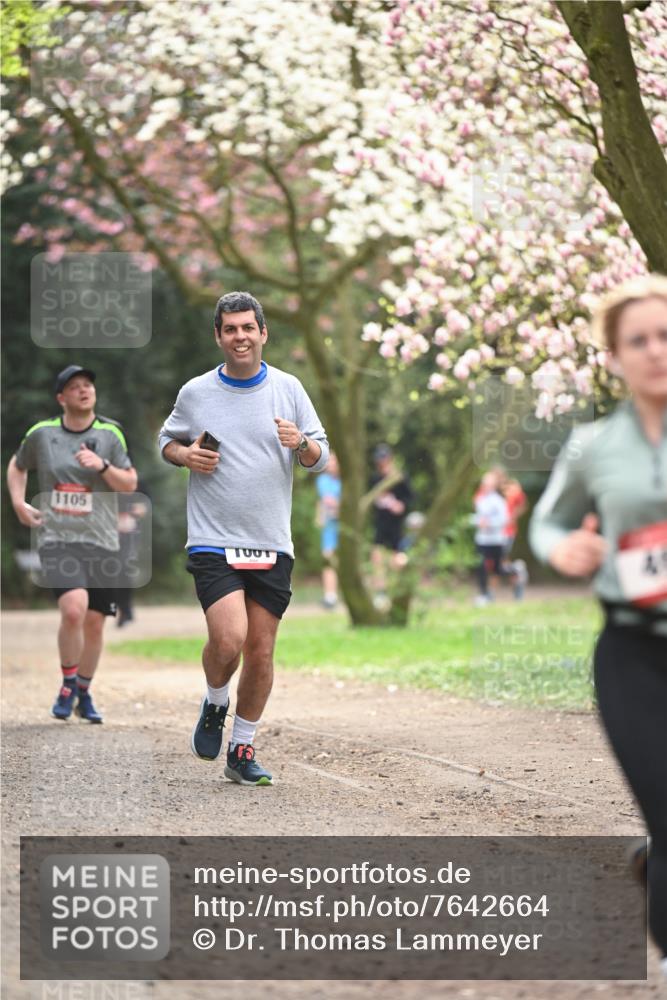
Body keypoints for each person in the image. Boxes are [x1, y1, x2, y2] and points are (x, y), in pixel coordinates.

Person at [529, 274, 667, 976]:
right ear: (613, 357)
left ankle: (652, 864)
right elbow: (547, 518)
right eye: (636, 340)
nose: (654, 351)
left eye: (664, 335)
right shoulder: (592, 445)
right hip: (631, 651)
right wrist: (561, 547)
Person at [158, 290, 328, 787]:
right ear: (218, 336)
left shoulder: (289, 388)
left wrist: (303, 444)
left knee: (261, 651)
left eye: (247, 328)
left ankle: (242, 747)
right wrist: (185, 456)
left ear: (263, 333)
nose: (239, 337)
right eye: (230, 329)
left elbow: (321, 454)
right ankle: (215, 701)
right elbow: (166, 442)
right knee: (229, 638)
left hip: (271, 541)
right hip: (213, 537)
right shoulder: (196, 393)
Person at [6, 365, 137, 722]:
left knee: (95, 622)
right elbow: (17, 466)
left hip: (103, 542)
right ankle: (67, 683)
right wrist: (19, 502)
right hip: (58, 538)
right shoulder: (42, 434)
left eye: (88, 385)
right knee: (74, 609)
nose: (84, 390)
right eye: (75, 386)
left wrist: (102, 466)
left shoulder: (111, 434)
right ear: (61, 398)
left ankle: (83, 691)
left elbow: (129, 483)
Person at [370, 444, 412, 608]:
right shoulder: (375, 479)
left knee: (398, 559)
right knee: (377, 557)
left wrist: (401, 505)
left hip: (397, 525)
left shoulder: (401, 477)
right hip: (381, 523)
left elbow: (410, 498)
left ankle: (397, 590)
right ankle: (380, 592)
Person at [472, 469, 509, 606]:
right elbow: (477, 518)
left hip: (496, 539)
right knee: (481, 566)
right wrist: (477, 522)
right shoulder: (480, 500)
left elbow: (504, 519)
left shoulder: (499, 501)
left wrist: (490, 524)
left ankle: (515, 570)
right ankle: (483, 594)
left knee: (497, 569)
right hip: (482, 540)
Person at [316, 452, 341, 609]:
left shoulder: (347, 482)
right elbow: (322, 501)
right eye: (329, 461)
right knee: (328, 558)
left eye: (334, 461)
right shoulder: (322, 481)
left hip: (344, 526)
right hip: (329, 526)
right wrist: (319, 518)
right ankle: (330, 595)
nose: (330, 464)